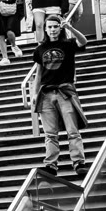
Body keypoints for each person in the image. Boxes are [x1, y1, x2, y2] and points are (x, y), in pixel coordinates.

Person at [30, 12, 89, 178]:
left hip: (65, 91)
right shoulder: (40, 49)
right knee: (50, 133)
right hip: (46, 93)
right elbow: (38, 73)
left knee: (72, 130)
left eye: (56, 26)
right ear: (45, 29)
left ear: (60, 28)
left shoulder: (68, 44)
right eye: (50, 27)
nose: (53, 30)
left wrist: (70, 28)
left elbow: (83, 41)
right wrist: (34, 93)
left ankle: (78, 162)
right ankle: (51, 164)